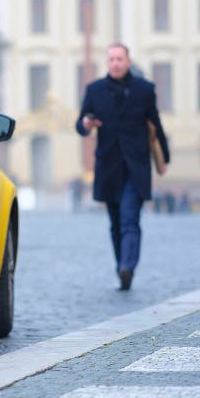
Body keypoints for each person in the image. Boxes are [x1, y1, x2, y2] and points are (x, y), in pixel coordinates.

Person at [75, 43, 170, 291]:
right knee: (115, 222)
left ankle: (128, 265)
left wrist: (165, 157)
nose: (115, 63)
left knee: (130, 218)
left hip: (136, 166)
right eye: (111, 59)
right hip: (108, 166)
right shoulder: (94, 90)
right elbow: (81, 122)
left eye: (120, 59)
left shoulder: (144, 90)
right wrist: (86, 123)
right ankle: (122, 267)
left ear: (128, 61)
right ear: (107, 63)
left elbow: (155, 123)